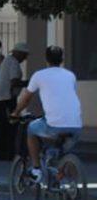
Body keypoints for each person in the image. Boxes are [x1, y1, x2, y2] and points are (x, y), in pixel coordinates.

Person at [13, 44, 82, 184]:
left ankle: (37, 169)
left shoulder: (39, 75)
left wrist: (15, 113)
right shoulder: (70, 75)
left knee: (31, 129)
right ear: (62, 59)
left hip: (54, 124)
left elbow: (25, 99)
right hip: (76, 126)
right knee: (59, 151)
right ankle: (66, 180)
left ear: (46, 59)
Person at [0, 43, 28, 161]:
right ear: (18, 53)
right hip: (6, 98)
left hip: (0, 97)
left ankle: (2, 154)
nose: (25, 58)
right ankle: (8, 154)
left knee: (2, 128)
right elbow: (14, 82)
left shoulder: (8, 60)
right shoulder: (13, 63)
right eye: (24, 55)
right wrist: (29, 83)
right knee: (10, 127)